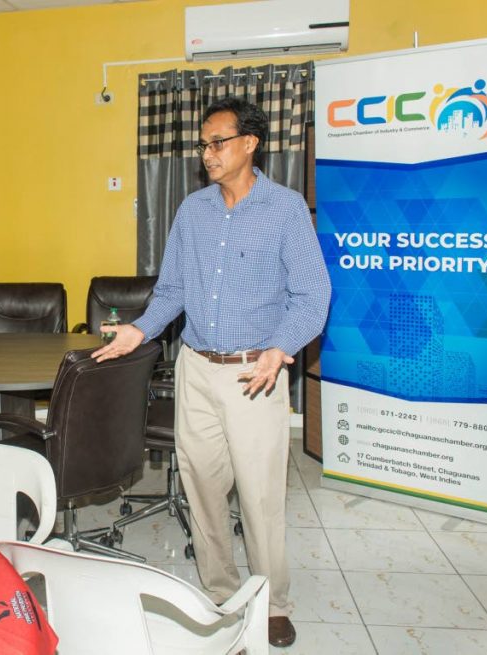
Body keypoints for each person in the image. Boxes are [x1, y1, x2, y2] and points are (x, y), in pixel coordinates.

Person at [94, 98, 331, 648]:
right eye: (203, 144)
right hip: (196, 370)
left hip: (256, 375)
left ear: (250, 144)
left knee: (260, 497)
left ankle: (272, 603)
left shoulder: (286, 208)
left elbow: (313, 293)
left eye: (217, 142)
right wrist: (140, 329)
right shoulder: (192, 211)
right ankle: (222, 591)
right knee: (201, 488)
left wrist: (282, 346)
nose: (207, 154)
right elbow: (173, 290)